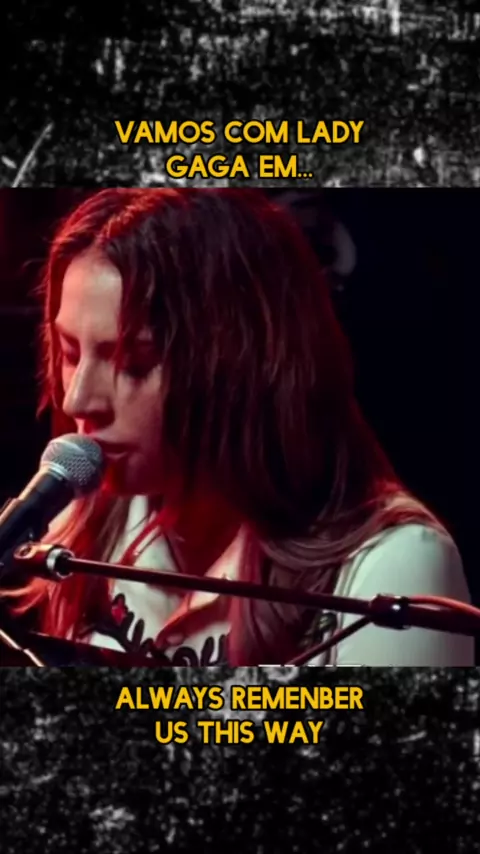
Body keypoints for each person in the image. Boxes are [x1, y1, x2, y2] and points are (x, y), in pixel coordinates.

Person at [3, 188, 474, 666]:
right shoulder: (85, 518)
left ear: (242, 369)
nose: (79, 400)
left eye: (135, 363)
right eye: (70, 353)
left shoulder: (396, 568)